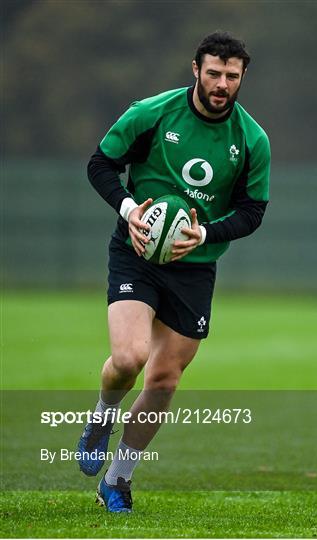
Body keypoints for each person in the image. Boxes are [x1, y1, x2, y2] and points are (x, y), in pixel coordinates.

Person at [78, 31, 270, 513]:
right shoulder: (152, 112)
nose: (221, 83)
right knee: (129, 358)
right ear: (195, 70)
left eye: (231, 75)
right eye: (213, 73)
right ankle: (102, 418)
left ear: (243, 76)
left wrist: (205, 235)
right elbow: (101, 164)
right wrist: (128, 210)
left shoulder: (252, 140)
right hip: (136, 251)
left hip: (195, 269)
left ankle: (117, 481)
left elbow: (252, 211)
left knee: (164, 380)